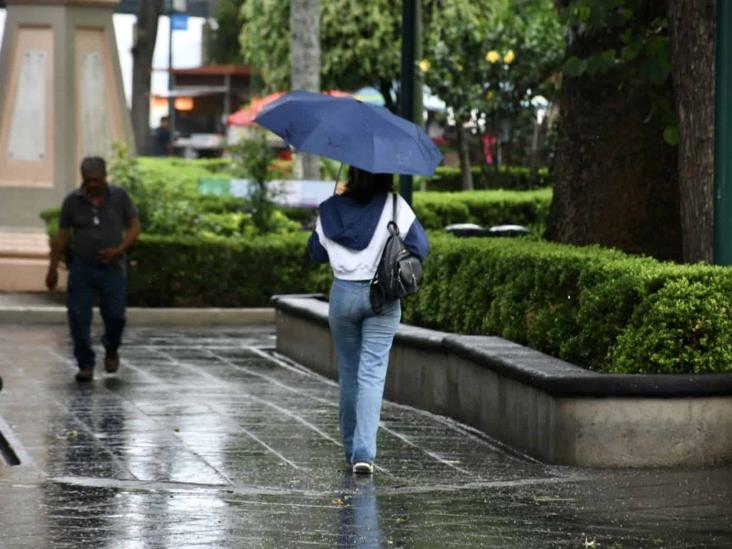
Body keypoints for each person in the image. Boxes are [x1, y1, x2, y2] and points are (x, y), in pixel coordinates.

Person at [307, 167, 429, 474]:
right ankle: (364, 453)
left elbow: (315, 253)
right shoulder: (394, 205)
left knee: (349, 374)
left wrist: (329, 213)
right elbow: (420, 248)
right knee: (372, 373)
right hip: (382, 297)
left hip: (342, 297)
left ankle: (350, 450)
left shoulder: (330, 208)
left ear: (351, 173)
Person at [46, 156, 141, 382]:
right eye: (88, 180)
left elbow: (135, 227)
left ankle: (111, 348)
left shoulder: (119, 197)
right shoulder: (72, 201)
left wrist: (119, 250)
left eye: (96, 180)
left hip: (113, 268)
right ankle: (85, 364)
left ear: (105, 177)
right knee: (78, 317)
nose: (92, 184)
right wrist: (52, 268)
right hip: (82, 268)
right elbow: (62, 236)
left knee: (116, 316)